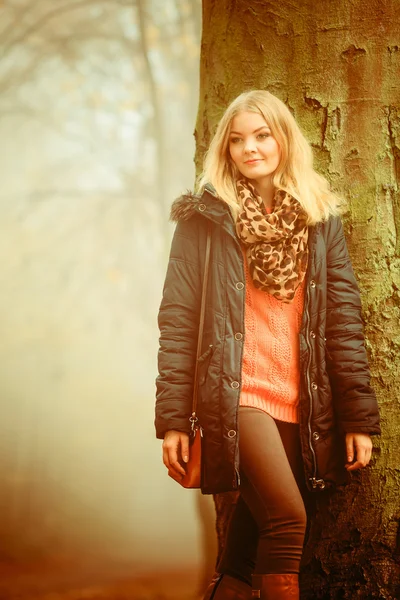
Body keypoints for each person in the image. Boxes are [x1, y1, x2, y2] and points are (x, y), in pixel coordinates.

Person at [154, 90, 380, 600]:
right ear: (225, 150)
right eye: (236, 140)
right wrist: (172, 419)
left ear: (284, 139)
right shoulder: (204, 220)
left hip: (301, 401)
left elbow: (344, 322)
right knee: (287, 518)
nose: (249, 148)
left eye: (261, 135)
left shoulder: (320, 219)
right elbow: (178, 322)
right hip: (236, 396)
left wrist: (358, 419)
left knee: (248, 540)